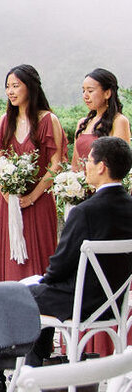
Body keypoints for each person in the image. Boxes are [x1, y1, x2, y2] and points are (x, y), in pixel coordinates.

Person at [27, 136, 132, 367]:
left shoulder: (85, 211)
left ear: (102, 167)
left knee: (22, 296)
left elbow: (60, 265)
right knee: (38, 293)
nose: (85, 165)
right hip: (114, 303)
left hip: (80, 302)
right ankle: (37, 363)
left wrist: (45, 281)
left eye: (90, 161)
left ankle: (22, 370)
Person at [0, 64, 65, 283]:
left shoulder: (47, 120)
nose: (10, 91)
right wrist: (7, 193)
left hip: (39, 201)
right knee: (10, 260)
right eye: (7, 87)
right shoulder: (6, 121)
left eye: (16, 86)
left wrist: (32, 198)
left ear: (30, 87)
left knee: (39, 256)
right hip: (10, 202)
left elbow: (56, 164)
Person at [72, 68, 131, 172]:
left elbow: (120, 163)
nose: (85, 96)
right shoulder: (82, 123)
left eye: (90, 91)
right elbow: (75, 165)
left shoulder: (119, 121)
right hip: (81, 184)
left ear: (107, 93)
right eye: (83, 91)